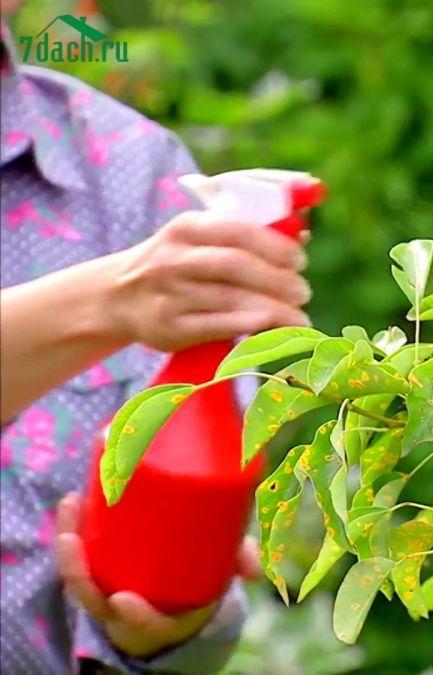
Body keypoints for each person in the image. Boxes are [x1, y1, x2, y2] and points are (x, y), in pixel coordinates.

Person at [0, 13, 311, 674]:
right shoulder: (137, 269)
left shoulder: (132, 169)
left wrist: (170, 617)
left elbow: (190, 614)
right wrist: (111, 301)